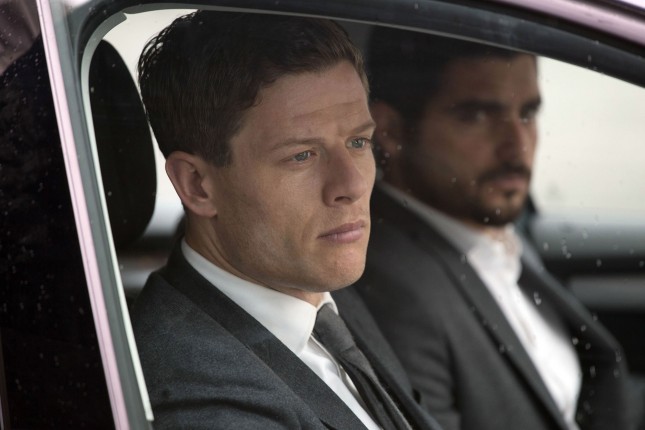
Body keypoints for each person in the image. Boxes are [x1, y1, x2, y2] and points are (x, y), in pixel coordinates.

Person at [131, 11, 440, 430]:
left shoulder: (322, 293)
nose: (351, 184)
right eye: (301, 155)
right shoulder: (196, 399)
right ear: (197, 185)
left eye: (358, 141)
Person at [357, 27, 636, 430]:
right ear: (391, 130)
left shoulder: (495, 234)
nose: (517, 146)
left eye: (528, 113)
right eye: (477, 116)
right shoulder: (389, 286)